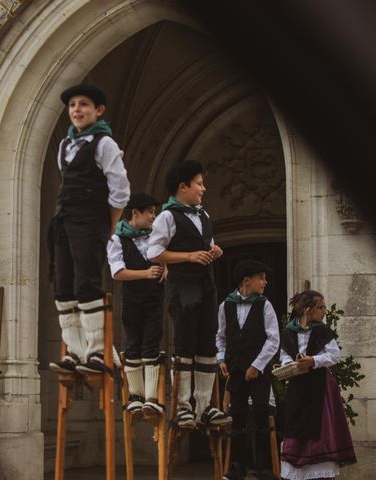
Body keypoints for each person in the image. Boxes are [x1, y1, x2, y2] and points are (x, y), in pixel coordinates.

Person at [48, 84, 130, 374]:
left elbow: (120, 190)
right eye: (72, 105)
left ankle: (96, 351)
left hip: (89, 222)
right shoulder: (65, 145)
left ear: (98, 110)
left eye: (83, 104)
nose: (77, 110)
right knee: (64, 286)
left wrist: (107, 225)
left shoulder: (104, 144)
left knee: (87, 283)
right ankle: (75, 351)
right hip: (64, 221)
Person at [147, 160, 227, 427]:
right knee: (185, 345)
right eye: (199, 183)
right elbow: (154, 252)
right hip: (182, 287)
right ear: (183, 187)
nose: (203, 189)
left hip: (205, 286)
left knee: (207, 344)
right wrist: (189, 256)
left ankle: (204, 407)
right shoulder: (167, 216)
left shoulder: (203, 215)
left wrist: (215, 251)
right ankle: (183, 408)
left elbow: (209, 244)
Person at [279, 290, 357, 480]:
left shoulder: (322, 331)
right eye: (321, 307)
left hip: (320, 387)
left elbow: (334, 355)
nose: (324, 311)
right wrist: (290, 364)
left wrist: (313, 360)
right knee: (297, 423)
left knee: (321, 426)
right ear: (308, 309)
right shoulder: (289, 331)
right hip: (298, 386)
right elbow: (284, 355)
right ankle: (298, 472)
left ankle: (320, 473)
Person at [217, 260, 280, 480]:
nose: (265, 282)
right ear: (246, 281)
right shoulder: (226, 305)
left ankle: (263, 469)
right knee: (237, 417)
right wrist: (221, 358)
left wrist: (257, 365)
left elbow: (273, 340)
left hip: (259, 372)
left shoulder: (265, 305)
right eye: (261, 277)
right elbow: (221, 336)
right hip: (235, 370)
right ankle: (237, 467)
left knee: (262, 414)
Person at [107, 193, 165, 416]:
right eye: (149, 212)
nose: (153, 216)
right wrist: (146, 273)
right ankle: (135, 396)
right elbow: (118, 272)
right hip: (132, 300)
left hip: (154, 300)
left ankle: (151, 398)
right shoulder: (117, 239)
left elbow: (164, 255)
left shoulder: (156, 236)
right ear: (135, 213)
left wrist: (165, 267)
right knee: (132, 344)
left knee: (151, 343)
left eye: (154, 212)